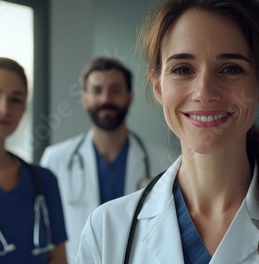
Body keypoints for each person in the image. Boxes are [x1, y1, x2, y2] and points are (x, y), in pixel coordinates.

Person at [77, 0, 259, 263]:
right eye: (183, 70)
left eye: (231, 69)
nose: (205, 92)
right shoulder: (107, 231)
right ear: (158, 87)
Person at [40, 57, 171, 262]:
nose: (105, 99)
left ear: (129, 97)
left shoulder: (163, 160)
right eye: (97, 90)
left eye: (115, 89)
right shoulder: (55, 159)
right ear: (84, 98)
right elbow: (46, 234)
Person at [0, 57, 67, 263]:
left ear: (24, 109)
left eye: (15, 99)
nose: (3, 109)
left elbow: (58, 259)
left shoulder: (43, 181)